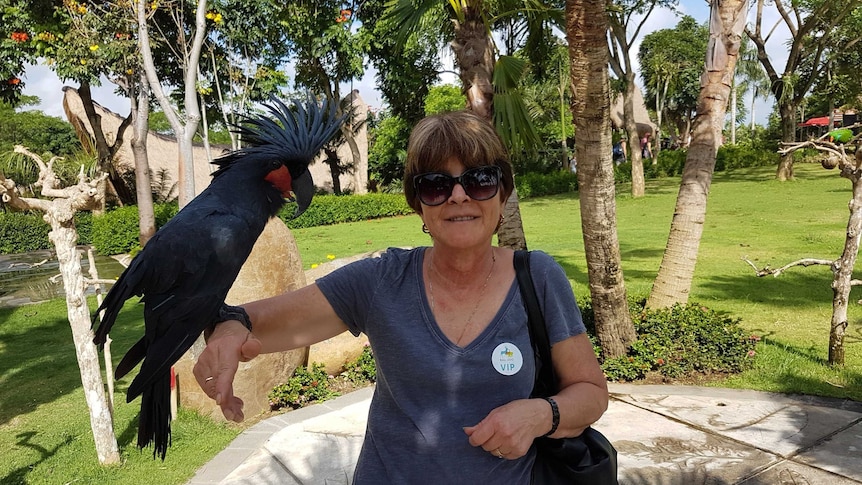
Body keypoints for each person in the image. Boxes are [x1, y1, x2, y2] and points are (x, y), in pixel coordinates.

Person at [194, 110, 609, 483]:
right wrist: (229, 330)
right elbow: (256, 321)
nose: (459, 195)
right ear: (418, 204)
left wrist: (541, 414)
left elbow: (590, 392)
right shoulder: (380, 282)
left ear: (502, 193)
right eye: (436, 185)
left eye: (479, 179)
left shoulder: (537, 278)